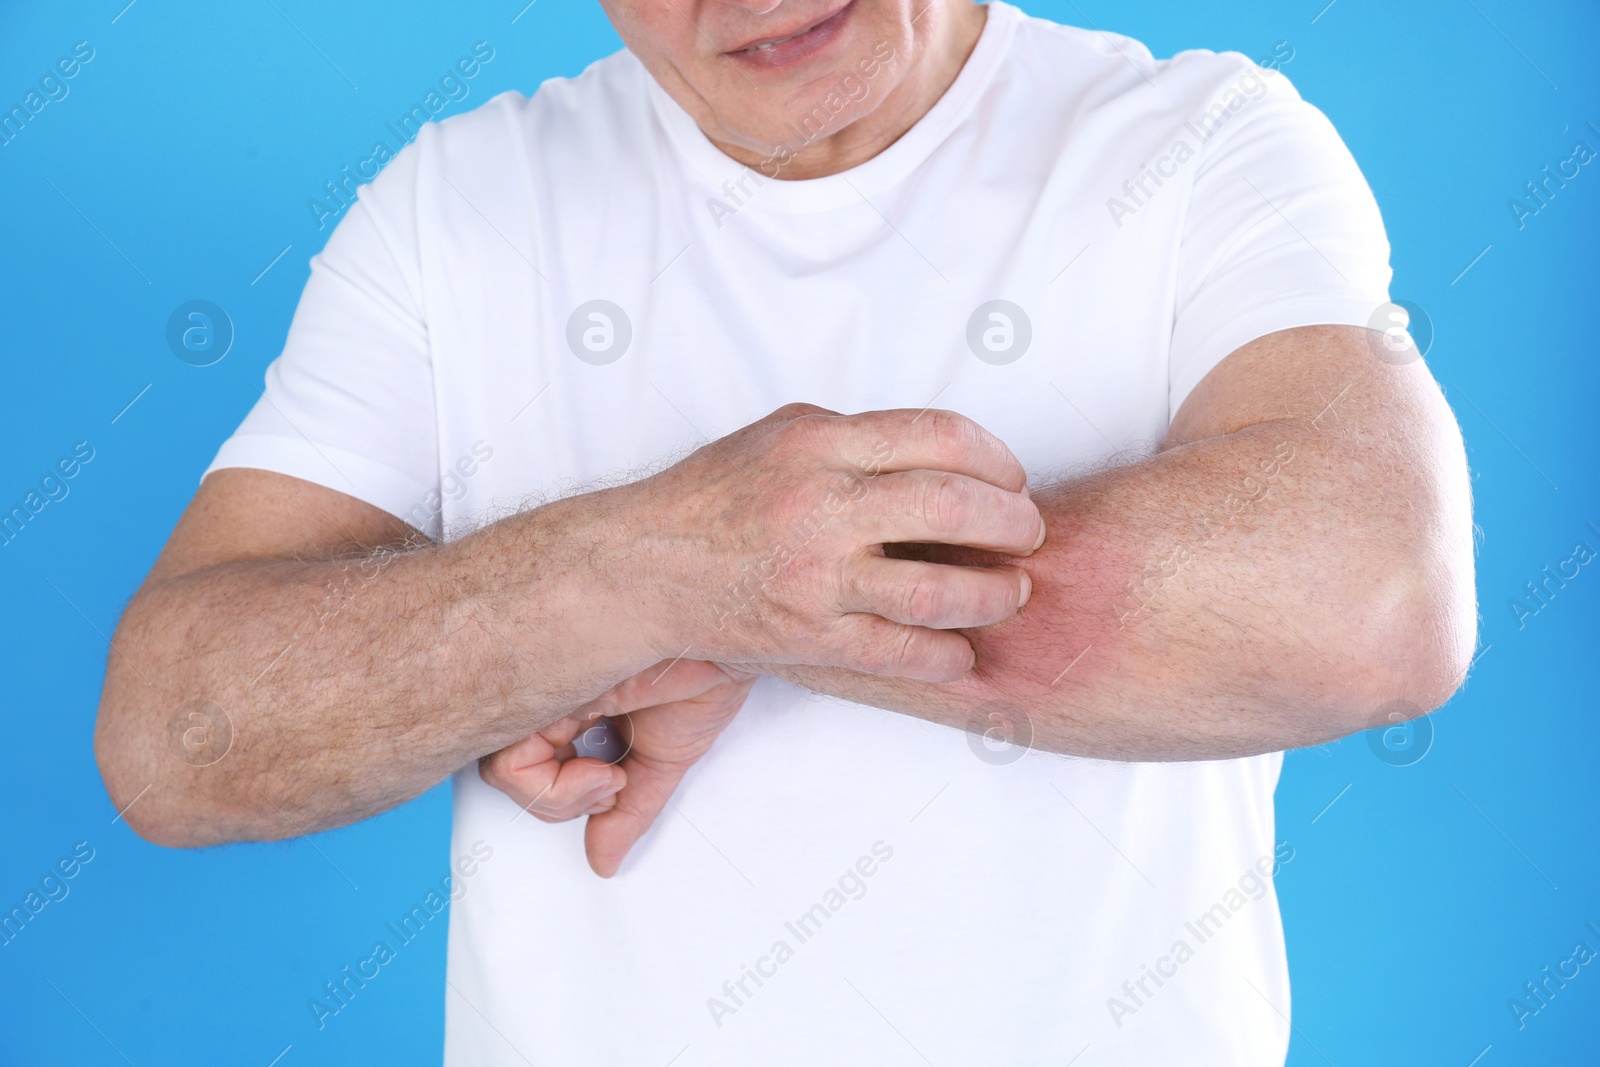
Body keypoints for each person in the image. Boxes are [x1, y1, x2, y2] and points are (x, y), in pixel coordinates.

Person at [94, 0, 1475, 1061]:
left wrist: (731, 608)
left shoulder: (1199, 145)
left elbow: (1373, 603)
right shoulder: (455, 205)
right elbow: (177, 738)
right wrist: (644, 574)